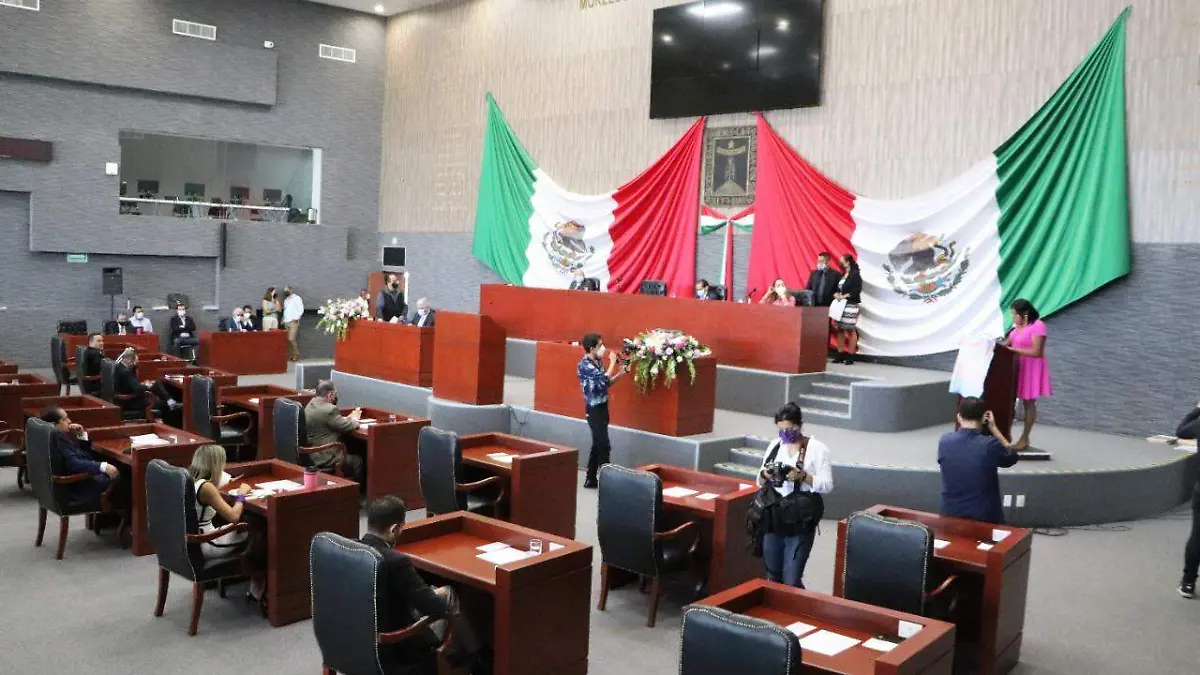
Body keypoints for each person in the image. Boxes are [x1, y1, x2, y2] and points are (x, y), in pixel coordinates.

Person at [359, 495, 486, 674]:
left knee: (443, 593)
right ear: (394, 529)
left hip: (359, 637)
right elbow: (434, 608)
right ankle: (474, 659)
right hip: (396, 644)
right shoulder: (396, 562)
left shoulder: (353, 552)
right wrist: (432, 594)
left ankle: (474, 656)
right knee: (449, 598)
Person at [755, 402, 833, 588]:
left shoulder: (817, 449)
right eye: (781, 430)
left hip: (799, 520)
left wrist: (804, 476)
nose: (785, 434)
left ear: (800, 425)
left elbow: (827, 485)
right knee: (773, 575)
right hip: (774, 517)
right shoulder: (775, 446)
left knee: (791, 579)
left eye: (790, 429)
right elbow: (758, 480)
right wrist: (766, 475)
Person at [188, 444, 265, 600]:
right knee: (260, 535)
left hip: (195, 539)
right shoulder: (207, 488)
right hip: (208, 543)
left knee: (250, 526)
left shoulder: (190, 480)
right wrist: (241, 494)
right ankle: (258, 584)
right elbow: (234, 517)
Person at [937, 397, 1019, 524]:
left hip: (950, 514)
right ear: (983, 418)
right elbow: (1012, 457)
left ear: (959, 417)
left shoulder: (944, 441)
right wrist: (994, 429)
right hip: (983, 517)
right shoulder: (990, 445)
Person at [40, 406, 120, 507]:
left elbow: (83, 458)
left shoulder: (48, 435)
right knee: (126, 480)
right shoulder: (58, 436)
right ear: (54, 424)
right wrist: (104, 466)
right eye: (64, 419)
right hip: (77, 491)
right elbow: (74, 463)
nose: (69, 421)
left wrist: (81, 435)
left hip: (66, 486)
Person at [577, 333, 626, 489]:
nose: (603, 348)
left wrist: (621, 373)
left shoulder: (597, 362)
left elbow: (606, 384)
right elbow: (602, 378)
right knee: (604, 446)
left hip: (603, 407)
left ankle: (590, 478)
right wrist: (612, 363)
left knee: (597, 444)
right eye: (600, 345)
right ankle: (607, 482)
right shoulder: (584, 365)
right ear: (592, 348)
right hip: (593, 410)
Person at [1003, 299, 1052, 450]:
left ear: (1024, 313)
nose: (1013, 317)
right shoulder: (1017, 327)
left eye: (1014, 314)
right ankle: (1004, 435)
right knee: (1010, 401)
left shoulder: (1038, 325)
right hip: (1017, 367)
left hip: (1031, 368)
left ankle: (1025, 438)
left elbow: (1037, 352)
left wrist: (1014, 351)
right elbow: (1006, 344)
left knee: (1028, 403)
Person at [303, 381, 364, 481]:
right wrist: (355, 419)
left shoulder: (310, 404)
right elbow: (348, 426)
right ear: (330, 395)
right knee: (358, 460)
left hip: (311, 454)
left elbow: (332, 421)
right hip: (326, 456)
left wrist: (346, 419)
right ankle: (355, 488)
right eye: (335, 394)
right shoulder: (329, 410)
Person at [832, 254, 863, 364]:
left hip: (850, 304)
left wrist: (845, 296)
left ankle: (851, 355)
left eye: (842, 260)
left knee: (850, 329)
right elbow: (838, 288)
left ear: (847, 262)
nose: (840, 262)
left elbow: (857, 289)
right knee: (840, 328)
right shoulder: (843, 274)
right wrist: (836, 294)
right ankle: (840, 354)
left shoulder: (855, 274)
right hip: (841, 304)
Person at [282, 286, 304, 361]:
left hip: (293, 322)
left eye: (286, 290)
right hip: (286, 321)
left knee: (291, 339)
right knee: (287, 340)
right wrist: (283, 319)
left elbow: (301, 309)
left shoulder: (297, 298)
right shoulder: (286, 300)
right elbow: (285, 310)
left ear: (291, 290)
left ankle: (296, 355)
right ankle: (291, 355)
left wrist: (297, 318)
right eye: (284, 290)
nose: (285, 291)